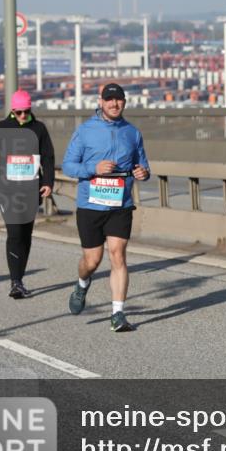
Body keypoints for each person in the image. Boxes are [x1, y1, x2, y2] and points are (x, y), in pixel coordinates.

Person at [62, 83, 150, 332]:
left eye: (118, 99)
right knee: (92, 260)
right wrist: (93, 169)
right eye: (109, 99)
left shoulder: (132, 132)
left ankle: (118, 314)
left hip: (120, 203)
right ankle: (82, 282)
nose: (114, 104)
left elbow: (142, 164)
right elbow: (68, 165)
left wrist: (143, 173)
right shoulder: (85, 131)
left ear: (124, 102)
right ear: (100, 101)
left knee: (118, 254)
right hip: (90, 204)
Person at [0, 89, 55, 299]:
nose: (22, 116)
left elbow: (48, 157)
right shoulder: (1, 128)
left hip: (31, 190)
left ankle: (19, 278)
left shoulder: (38, 128)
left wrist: (48, 182)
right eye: (19, 112)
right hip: (6, 190)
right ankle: (15, 282)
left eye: (26, 111)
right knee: (14, 234)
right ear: (12, 111)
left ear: (30, 109)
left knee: (25, 235)